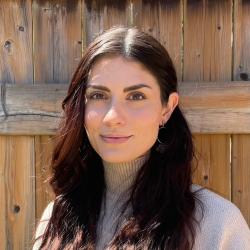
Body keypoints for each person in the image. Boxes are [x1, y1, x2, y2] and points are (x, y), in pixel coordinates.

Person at [32, 26, 250, 250]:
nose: (113, 117)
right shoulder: (56, 220)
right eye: (98, 95)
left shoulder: (218, 224)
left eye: (136, 96)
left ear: (167, 108)